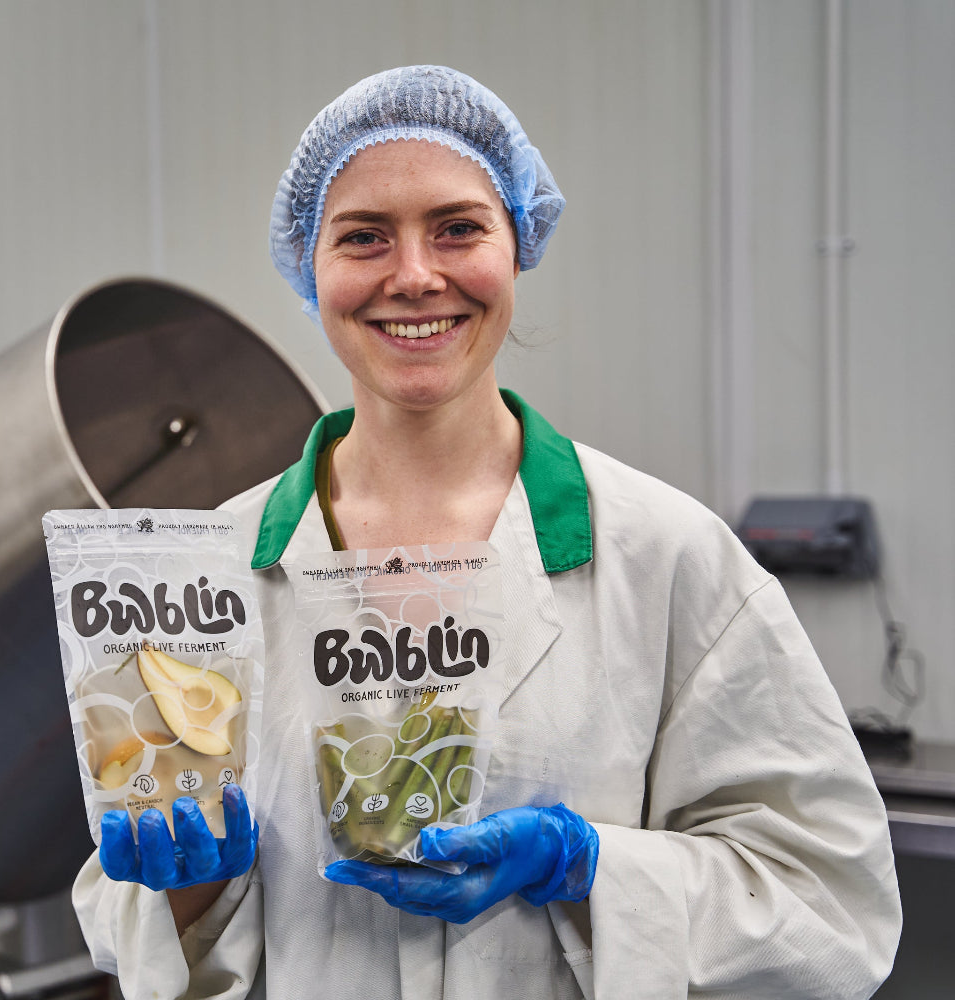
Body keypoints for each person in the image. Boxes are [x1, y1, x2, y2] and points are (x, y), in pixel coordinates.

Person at [72, 65, 901, 999]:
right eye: (364, 237)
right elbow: (127, 919)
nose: (414, 276)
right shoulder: (207, 574)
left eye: (458, 228)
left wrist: (587, 868)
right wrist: (185, 892)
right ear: (310, 263)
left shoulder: (664, 554)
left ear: (517, 246)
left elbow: (832, 905)